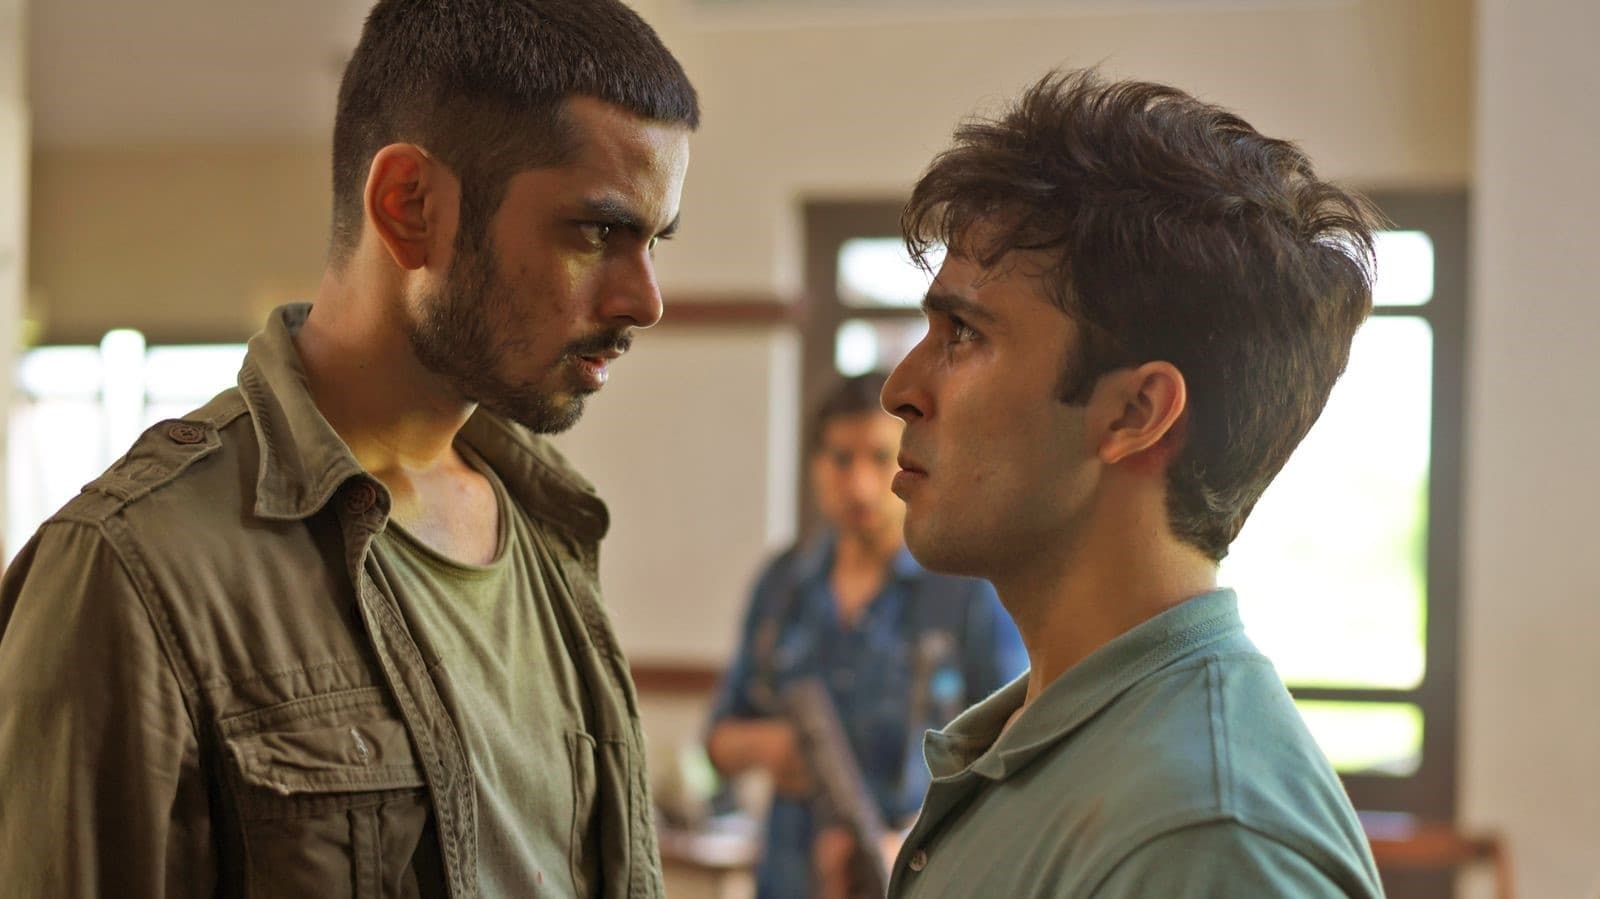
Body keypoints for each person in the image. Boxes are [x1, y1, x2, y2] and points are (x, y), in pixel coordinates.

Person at [0, 1, 697, 897]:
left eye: (655, 240)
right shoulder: (129, 568)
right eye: (598, 231)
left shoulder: (550, 524)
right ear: (410, 206)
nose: (645, 300)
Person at [878, 70, 1388, 898]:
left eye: (964, 332)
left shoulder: (1204, 836)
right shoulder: (1056, 740)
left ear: (1135, 412)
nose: (900, 388)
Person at [705, 373, 1027, 899]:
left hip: (916, 879)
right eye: (841, 459)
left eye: (880, 459)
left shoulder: (966, 589)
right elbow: (716, 741)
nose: (859, 485)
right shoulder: (783, 586)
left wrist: (907, 844)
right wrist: (770, 748)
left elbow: (1015, 754)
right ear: (815, 466)